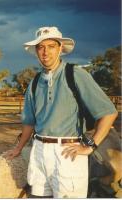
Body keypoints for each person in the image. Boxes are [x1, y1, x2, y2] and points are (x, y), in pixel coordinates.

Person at [7, 26, 118, 198]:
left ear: (60, 48)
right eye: (40, 47)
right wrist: (19, 147)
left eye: (51, 46)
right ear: (36, 51)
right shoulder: (34, 82)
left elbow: (109, 113)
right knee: (38, 196)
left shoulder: (75, 75)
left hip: (67, 152)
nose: (45, 52)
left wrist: (90, 146)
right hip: (39, 150)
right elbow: (29, 121)